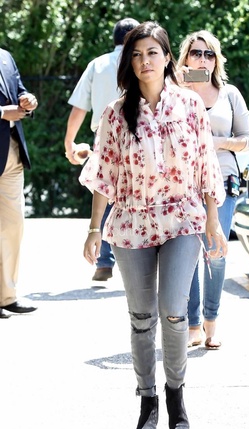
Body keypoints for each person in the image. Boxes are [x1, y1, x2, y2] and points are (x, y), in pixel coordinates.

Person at [80, 21, 227, 429]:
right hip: (131, 222)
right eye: (137, 54)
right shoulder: (115, 112)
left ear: (167, 58)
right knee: (142, 317)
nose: (145, 61)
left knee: (174, 311)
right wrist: (95, 229)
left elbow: (206, 165)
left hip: (182, 219)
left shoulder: (190, 106)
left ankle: (176, 393)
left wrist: (213, 219)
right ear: (130, 61)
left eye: (153, 52)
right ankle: (148, 400)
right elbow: (103, 174)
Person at [177, 30, 249, 348]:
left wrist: (216, 143)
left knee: (216, 253)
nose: (203, 60)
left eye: (209, 54)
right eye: (196, 53)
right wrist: (177, 83)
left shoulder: (229, 94)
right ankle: (192, 324)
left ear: (217, 60)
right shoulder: (176, 92)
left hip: (222, 182)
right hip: (183, 185)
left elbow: (247, 138)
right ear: (185, 57)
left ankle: (211, 320)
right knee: (187, 256)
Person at [64, 17, 139, 281]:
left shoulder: (97, 64)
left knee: (104, 192)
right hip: (141, 135)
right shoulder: (143, 61)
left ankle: (104, 260)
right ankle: (137, 258)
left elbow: (79, 107)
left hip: (104, 138)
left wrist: (69, 143)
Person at [0, 48, 38, 319]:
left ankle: (6, 296)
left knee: (14, 226)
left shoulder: (6, 56)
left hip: (11, 154)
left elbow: (20, 91)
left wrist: (28, 100)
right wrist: (2, 112)